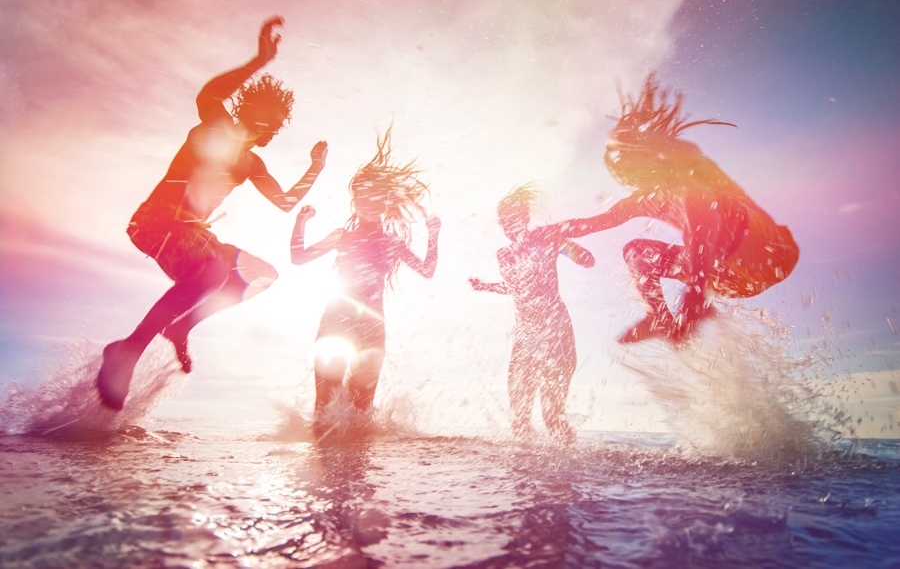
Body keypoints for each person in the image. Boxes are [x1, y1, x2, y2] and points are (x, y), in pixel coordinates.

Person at [97, 16, 328, 410]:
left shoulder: (252, 164)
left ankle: (182, 325)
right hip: (158, 220)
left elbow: (285, 202)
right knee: (213, 271)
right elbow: (208, 95)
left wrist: (315, 169)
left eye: (277, 126)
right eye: (268, 121)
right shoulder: (217, 127)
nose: (273, 131)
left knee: (260, 274)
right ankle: (128, 350)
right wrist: (258, 61)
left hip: (195, 233)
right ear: (250, 112)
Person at [564, 73, 799, 344]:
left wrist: (696, 290)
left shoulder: (692, 165)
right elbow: (596, 223)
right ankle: (658, 316)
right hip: (731, 279)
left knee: (696, 198)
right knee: (637, 252)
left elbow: (699, 205)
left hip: (772, 253)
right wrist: (549, 231)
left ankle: (697, 296)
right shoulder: (643, 199)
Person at [290, 127, 440, 437]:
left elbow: (426, 270)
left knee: (361, 414)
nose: (367, 204)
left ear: (384, 205)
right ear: (355, 203)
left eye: (374, 199)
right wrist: (300, 222)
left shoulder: (392, 242)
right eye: (361, 198)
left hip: (372, 325)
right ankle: (324, 474)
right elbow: (298, 258)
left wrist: (434, 236)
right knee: (324, 405)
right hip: (335, 319)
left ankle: (355, 475)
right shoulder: (342, 236)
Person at [469, 184, 595, 445]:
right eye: (502, 222)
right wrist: (485, 287)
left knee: (552, 416)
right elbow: (516, 288)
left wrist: (562, 241)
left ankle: (567, 471)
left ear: (524, 220)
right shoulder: (504, 254)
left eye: (511, 220)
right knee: (518, 416)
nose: (506, 226)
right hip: (525, 335)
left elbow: (588, 260)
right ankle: (524, 477)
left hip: (555, 328)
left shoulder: (548, 241)